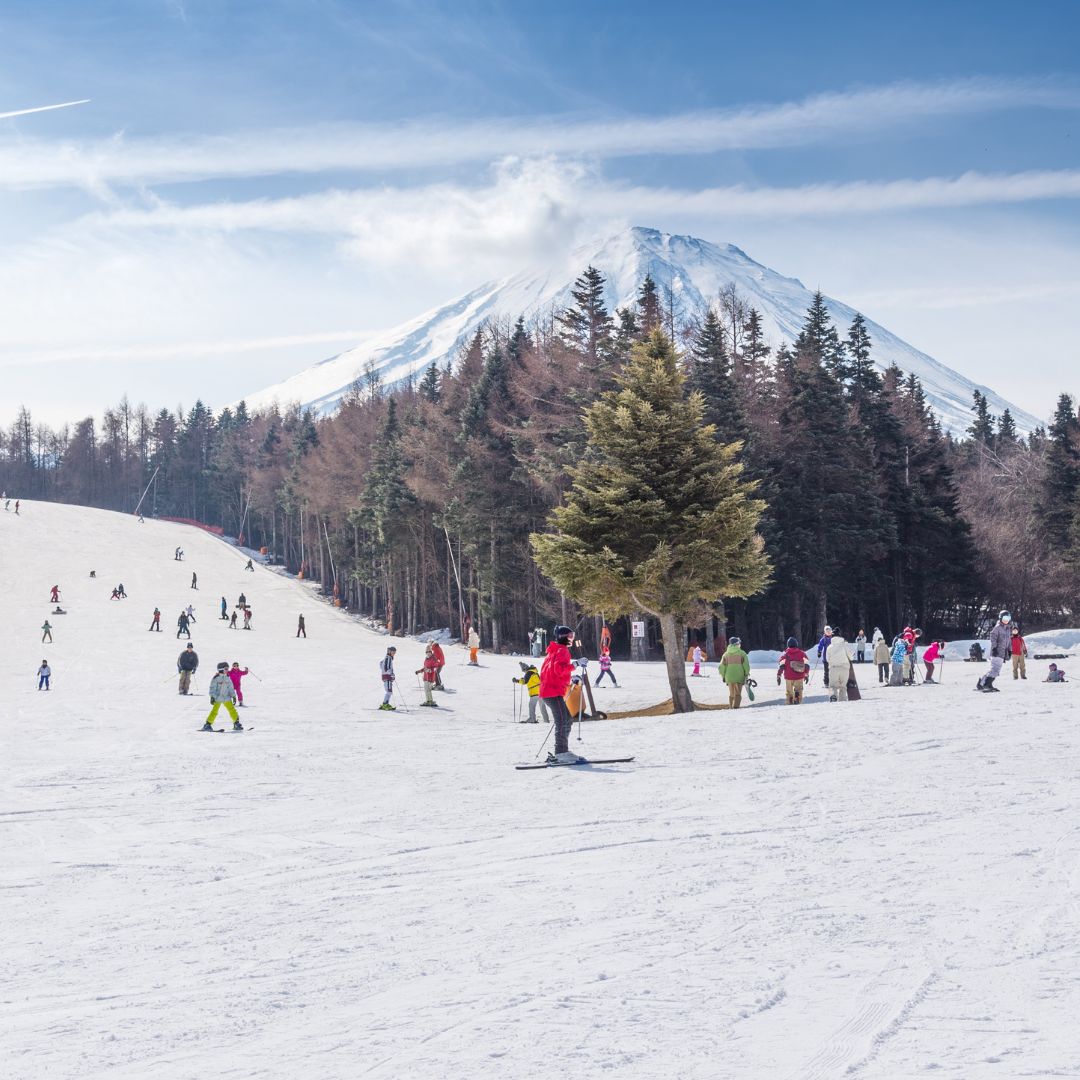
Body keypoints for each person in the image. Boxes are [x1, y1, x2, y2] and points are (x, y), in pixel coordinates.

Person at [539, 624, 579, 763]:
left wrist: (571, 677)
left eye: (572, 636)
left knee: (566, 719)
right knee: (562, 721)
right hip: (552, 692)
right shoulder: (562, 651)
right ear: (562, 637)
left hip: (549, 691)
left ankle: (563, 750)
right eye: (570, 636)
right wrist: (574, 665)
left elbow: (551, 672)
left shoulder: (553, 650)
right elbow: (558, 669)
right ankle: (561, 752)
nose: (572, 639)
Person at [977, 611, 1012, 692]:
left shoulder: (1008, 629)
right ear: (1000, 618)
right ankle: (987, 684)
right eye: (1004, 619)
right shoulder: (998, 627)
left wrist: (1010, 651)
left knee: (995, 669)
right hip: (997, 652)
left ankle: (982, 683)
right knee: (995, 670)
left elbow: (1009, 641)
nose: (1006, 620)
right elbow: (993, 637)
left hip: (1003, 653)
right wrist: (994, 648)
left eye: (1008, 619)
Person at [202, 661, 242, 731]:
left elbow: (231, 687)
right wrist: (212, 697)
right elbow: (212, 688)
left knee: (232, 710)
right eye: (226, 669)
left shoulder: (227, 678)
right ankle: (207, 724)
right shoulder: (216, 678)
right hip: (218, 698)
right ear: (221, 669)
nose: (227, 670)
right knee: (214, 711)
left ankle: (236, 723)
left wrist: (233, 696)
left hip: (226, 697)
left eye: (227, 669)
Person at [720, 636, 751, 708]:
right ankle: (736, 707)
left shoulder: (725, 654)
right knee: (738, 693)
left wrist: (723, 676)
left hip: (729, 677)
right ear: (736, 644)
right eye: (739, 643)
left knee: (731, 693)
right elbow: (746, 665)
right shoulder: (742, 653)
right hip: (739, 676)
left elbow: (721, 667)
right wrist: (746, 674)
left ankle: (731, 706)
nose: (740, 644)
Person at [776, 636, 809, 705]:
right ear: (796, 644)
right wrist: (806, 674)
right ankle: (797, 698)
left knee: (789, 692)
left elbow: (781, 666)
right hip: (799, 676)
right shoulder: (802, 653)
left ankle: (789, 700)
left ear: (788, 645)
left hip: (788, 677)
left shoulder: (785, 655)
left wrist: (778, 675)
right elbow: (806, 665)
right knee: (799, 690)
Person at [826, 632, 852, 701]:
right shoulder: (844, 645)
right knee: (843, 687)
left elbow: (827, 659)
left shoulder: (829, 647)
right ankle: (842, 700)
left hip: (833, 668)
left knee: (832, 686)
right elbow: (851, 657)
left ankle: (833, 696)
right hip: (844, 668)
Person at [379, 646, 397, 710]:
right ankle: (385, 704)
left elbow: (381, 664)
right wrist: (391, 674)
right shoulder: (388, 658)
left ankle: (385, 703)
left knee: (389, 691)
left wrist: (384, 671)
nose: (394, 653)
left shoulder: (387, 658)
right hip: (387, 676)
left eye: (395, 652)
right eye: (393, 652)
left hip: (385, 676)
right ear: (389, 651)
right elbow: (387, 668)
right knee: (389, 691)